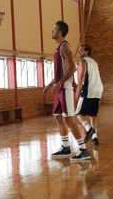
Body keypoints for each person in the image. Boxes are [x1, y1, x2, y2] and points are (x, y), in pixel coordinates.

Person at [43, 21, 91, 161]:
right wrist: (50, 84)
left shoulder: (65, 47)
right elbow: (60, 72)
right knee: (58, 116)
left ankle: (83, 150)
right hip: (60, 88)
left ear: (60, 32)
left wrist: (60, 83)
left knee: (69, 119)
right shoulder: (57, 48)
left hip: (66, 89)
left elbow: (73, 68)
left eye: (54, 29)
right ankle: (65, 147)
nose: (52, 31)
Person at [75, 45, 103, 145]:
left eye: (81, 50)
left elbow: (82, 76)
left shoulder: (83, 61)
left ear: (86, 52)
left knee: (78, 113)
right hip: (98, 89)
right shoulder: (94, 61)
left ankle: (89, 129)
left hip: (89, 90)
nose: (79, 52)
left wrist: (77, 92)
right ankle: (95, 138)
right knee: (93, 116)